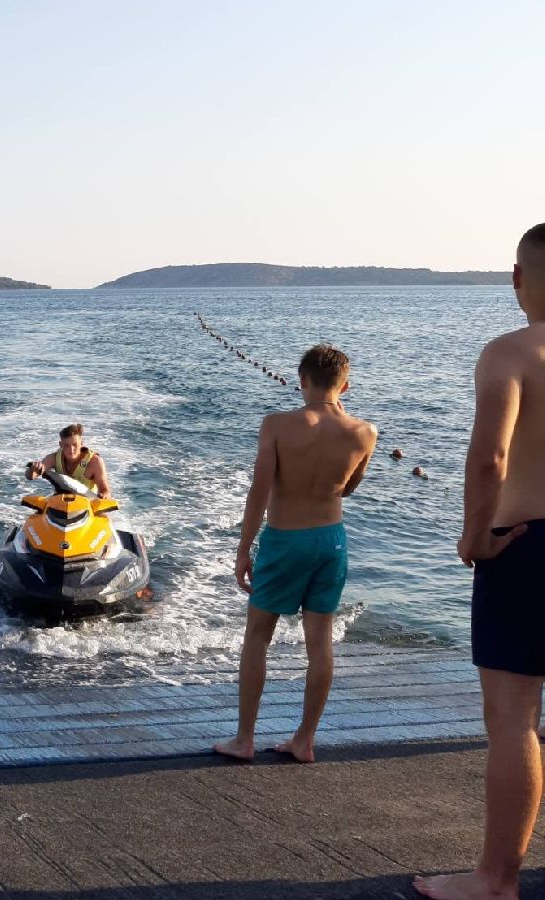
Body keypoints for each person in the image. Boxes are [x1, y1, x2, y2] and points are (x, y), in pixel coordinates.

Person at [414, 223, 545, 900]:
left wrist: (473, 537)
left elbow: (490, 457)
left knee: (515, 718)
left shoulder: (510, 353)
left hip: (527, 546)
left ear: (518, 278)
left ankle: (496, 879)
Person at [213, 344, 377, 764]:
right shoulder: (365, 432)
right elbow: (349, 488)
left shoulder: (277, 425)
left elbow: (259, 490)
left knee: (257, 637)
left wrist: (243, 547)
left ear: (302, 380)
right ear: (346, 385)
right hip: (331, 541)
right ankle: (304, 739)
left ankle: (244, 739)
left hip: (285, 539)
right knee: (320, 643)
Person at [27, 423, 111, 498]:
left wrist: (104, 495)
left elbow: (105, 490)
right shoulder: (53, 458)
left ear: (81, 443)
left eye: (75, 445)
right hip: (60, 503)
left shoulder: (94, 462)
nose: (71, 449)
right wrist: (33, 470)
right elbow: (30, 476)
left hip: (88, 504)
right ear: (61, 445)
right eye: (66, 445)